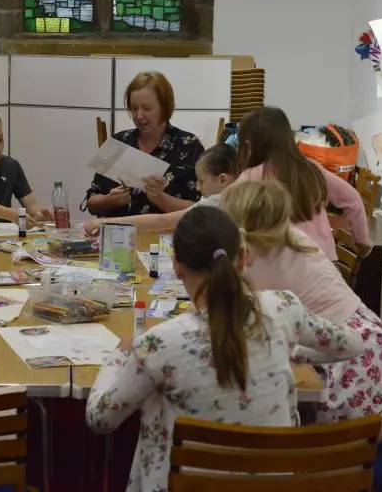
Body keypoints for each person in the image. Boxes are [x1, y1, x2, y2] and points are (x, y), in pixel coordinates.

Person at [85, 206, 364, 491]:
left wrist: (119, 355)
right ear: (242, 258)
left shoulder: (158, 344)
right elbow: (352, 344)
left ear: (176, 264)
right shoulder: (283, 307)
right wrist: (287, 347)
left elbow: (100, 419)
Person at [219, 180, 382, 442]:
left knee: (328, 438)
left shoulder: (257, 258)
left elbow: (242, 311)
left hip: (346, 349)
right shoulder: (289, 237)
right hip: (366, 336)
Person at [234, 106, 371, 261]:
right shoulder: (311, 167)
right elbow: (353, 199)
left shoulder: (250, 178)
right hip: (325, 265)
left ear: (248, 145)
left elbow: (228, 222)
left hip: (284, 270)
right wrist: (362, 242)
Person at [84, 71, 205, 218]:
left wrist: (162, 199)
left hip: (167, 237)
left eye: (147, 108)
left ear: (165, 108)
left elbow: (202, 209)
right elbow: (91, 202)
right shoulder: (118, 142)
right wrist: (109, 200)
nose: (139, 116)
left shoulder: (189, 145)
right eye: (134, 109)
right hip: (117, 236)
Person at [82, 143, 236, 235]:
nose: (197, 187)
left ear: (223, 179)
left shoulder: (218, 201)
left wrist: (103, 223)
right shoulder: (233, 194)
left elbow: (162, 221)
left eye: (201, 182)